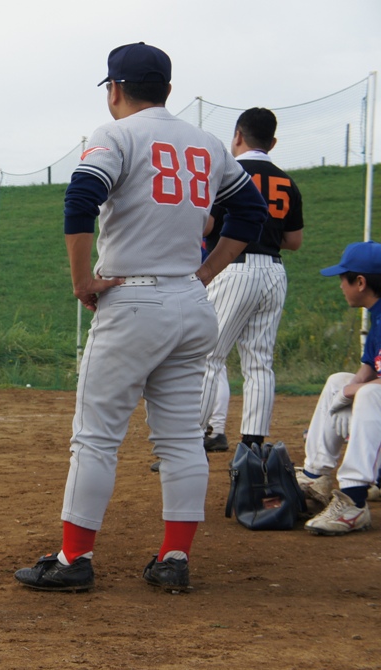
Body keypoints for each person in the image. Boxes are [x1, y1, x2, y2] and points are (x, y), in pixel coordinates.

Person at [14, 42, 267, 594]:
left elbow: (81, 197)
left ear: (115, 90)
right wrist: (206, 274)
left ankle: (73, 559)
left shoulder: (117, 135)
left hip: (133, 301)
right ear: (169, 90)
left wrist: (82, 280)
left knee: (96, 437)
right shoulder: (205, 143)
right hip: (189, 302)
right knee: (180, 439)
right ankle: (174, 557)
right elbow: (250, 213)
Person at [198, 107, 304, 453]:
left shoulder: (229, 172)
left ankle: (193, 439)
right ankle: (253, 445)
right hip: (273, 270)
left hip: (233, 267)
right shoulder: (288, 181)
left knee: (208, 356)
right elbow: (294, 241)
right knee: (259, 362)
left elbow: (209, 226)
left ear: (238, 136)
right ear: (272, 142)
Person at [297, 241, 381, 535]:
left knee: (368, 393)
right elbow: (371, 367)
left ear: (360, 282)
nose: (340, 285)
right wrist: (346, 388)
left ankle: (354, 503)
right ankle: (314, 476)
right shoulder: (378, 313)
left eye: (342, 278)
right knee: (339, 381)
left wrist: (353, 392)